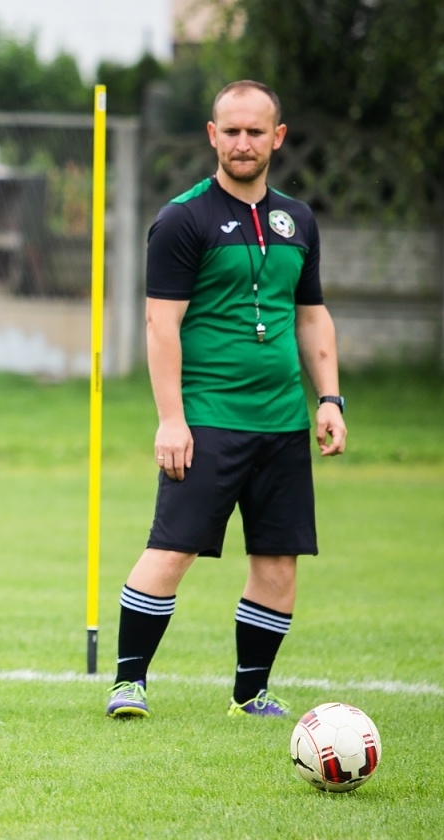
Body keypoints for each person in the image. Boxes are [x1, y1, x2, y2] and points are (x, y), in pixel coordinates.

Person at [105, 80, 347, 721]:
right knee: (172, 549)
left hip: (282, 422)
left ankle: (250, 693)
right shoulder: (183, 219)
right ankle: (129, 684)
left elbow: (312, 316)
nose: (243, 142)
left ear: (277, 137)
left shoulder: (299, 220)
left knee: (279, 562)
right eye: (231, 131)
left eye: (255, 131)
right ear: (213, 135)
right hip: (207, 418)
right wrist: (171, 419)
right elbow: (161, 324)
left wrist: (329, 399)